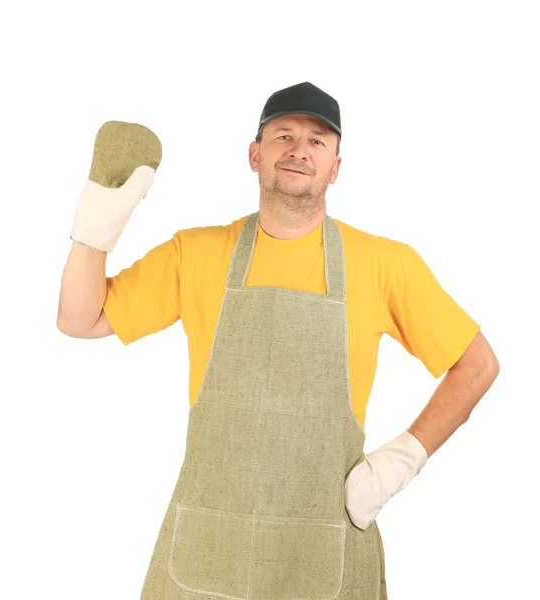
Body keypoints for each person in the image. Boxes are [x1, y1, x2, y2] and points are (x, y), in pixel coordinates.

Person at [57, 81, 500, 599]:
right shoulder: (195, 253)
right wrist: (98, 224)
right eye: (283, 135)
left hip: (325, 545)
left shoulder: (385, 264)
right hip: (208, 547)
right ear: (255, 155)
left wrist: (400, 461)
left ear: (336, 167)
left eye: (317, 141)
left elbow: (477, 364)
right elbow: (78, 319)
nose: (298, 151)